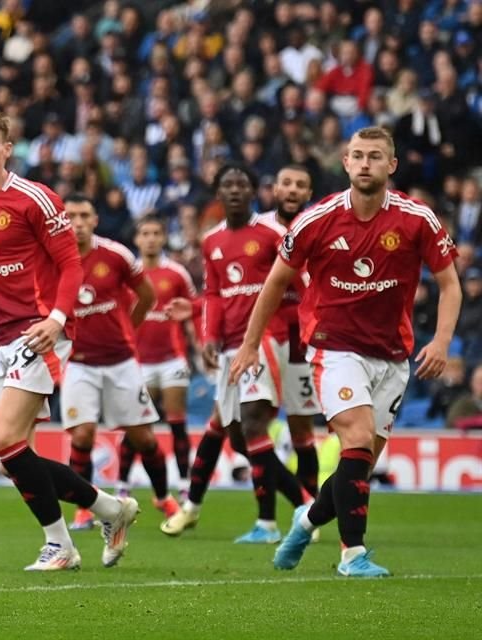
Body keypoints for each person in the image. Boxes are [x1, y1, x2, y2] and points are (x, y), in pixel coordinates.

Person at [230, 126, 461, 577]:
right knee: (354, 441)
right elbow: (275, 282)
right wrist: (250, 343)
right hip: (334, 349)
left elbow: (450, 283)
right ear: (345, 162)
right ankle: (352, 555)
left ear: (391, 165)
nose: (365, 163)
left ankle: (306, 520)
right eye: (358, 155)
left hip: (392, 356)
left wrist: (442, 341)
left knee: (359, 467)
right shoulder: (317, 220)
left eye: (376, 156)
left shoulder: (418, 218)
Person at [0, 108, 138, 572]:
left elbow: (72, 264)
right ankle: (112, 510)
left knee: (4, 438)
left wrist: (57, 319)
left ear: (7, 150)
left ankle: (61, 547)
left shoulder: (35, 198)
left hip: (38, 330)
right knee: (11, 457)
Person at [161, 162, 309, 542]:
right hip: (228, 347)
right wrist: (208, 336)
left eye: (242, 184)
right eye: (227, 185)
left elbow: (303, 279)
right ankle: (307, 505)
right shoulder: (211, 241)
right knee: (233, 433)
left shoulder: (274, 232)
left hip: (265, 341)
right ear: (218, 193)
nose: (235, 191)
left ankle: (267, 524)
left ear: (253, 191)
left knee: (255, 423)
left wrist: (310, 327)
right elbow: (213, 294)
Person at [59, 194, 167, 532]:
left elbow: (148, 296)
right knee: (83, 436)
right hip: (78, 363)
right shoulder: (53, 259)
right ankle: (82, 510)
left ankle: (164, 498)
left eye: (84, 215)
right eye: (71, 215)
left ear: (95, 220)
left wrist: (128, 332)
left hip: (121, 360)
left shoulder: (116, 255)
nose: (77, 221)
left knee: (143, 439)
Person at [256, 165, 322, 499]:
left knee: (301, 426)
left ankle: (307, 514)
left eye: (300, 184)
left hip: (303, 337)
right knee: (252, 423)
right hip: (263, 333)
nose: (293, 190)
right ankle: (267, 516)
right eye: (286, 183)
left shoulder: (318, 226)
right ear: (274, 190)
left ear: (309, 193)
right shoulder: (258, 229)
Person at [123, 215, 196, 503]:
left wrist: (200, 347)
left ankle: (185, 485)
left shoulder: (177, 273)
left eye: (156, 233)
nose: (151, 238)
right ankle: (123, 484)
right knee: (135, 425)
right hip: (137, 361)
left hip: (172, 360)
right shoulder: (128, 273)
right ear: (137, 239)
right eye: (145, 233)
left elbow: (191, 312)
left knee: (177, 423)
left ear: (164, 238)